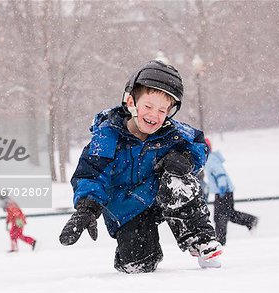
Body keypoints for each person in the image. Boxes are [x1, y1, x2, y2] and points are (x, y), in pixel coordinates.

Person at [59, 60, 222, 273]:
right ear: (130, 102)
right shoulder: (108, 136)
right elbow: (92, 173)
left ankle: (200, 239)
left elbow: (199, 144)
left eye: (163, 110)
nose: (154, 115)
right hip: (129, 208)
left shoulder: (172, 133)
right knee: (138, 265)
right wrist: (87, 208)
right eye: (148, 106)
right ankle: (137, 255)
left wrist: (187, 159)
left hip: (160, 193)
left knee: (177, 180)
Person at [204, 138, 258, 245]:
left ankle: (220, 241)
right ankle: (250, 220)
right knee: (228, 214)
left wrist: (222, 188)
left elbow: (220, 174)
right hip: (223, 191)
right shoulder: (210, 158)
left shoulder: (210, 159)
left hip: (223, 192)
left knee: (220, 217)